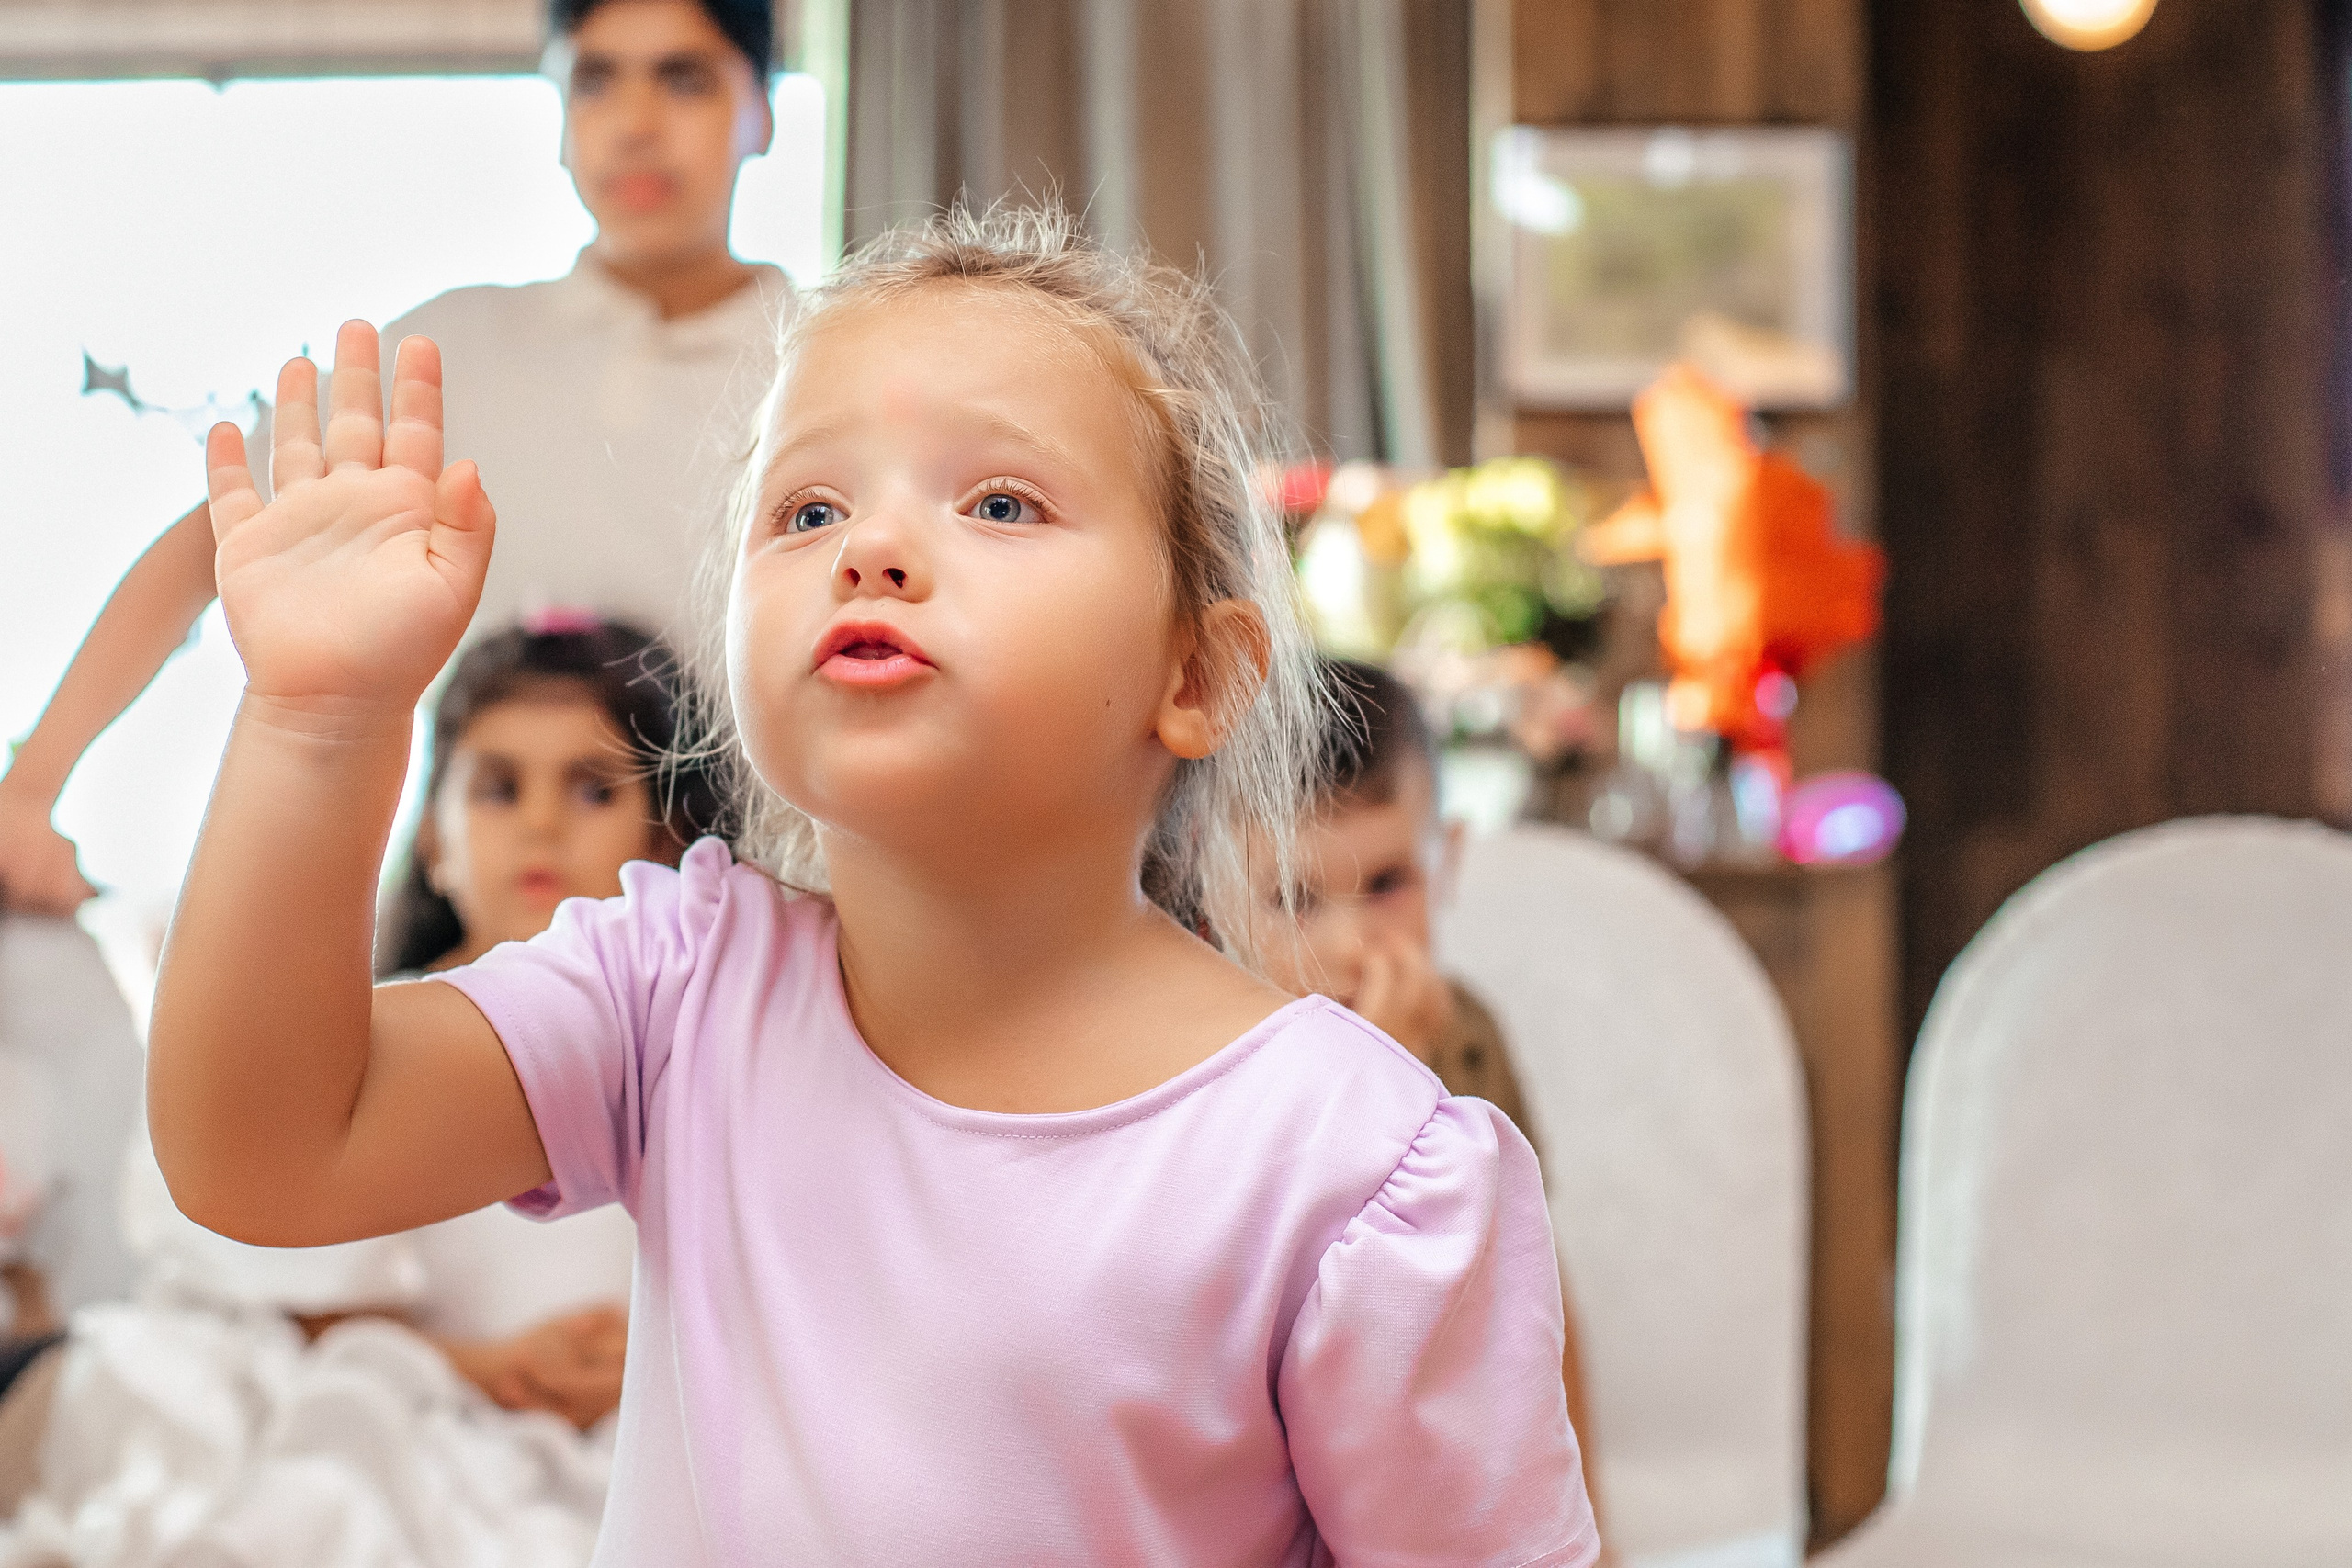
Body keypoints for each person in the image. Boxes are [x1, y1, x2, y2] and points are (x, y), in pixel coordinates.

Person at [147, 205, 1600, 1564]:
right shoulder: (672, 993)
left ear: (1197, 670)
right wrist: (321, 722)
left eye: (1003, 501)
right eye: (808, 508)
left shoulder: (1354, 1166)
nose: (874, 550)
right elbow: (269, 1147)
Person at [0, 0, 787, 916]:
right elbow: (208, 548)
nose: (637, 123)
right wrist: (29, 790)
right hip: (478, 935)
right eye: (595, 80)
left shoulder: (819, 363)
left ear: (759, 110)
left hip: (752, 928)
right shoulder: (449, 352)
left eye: (684, 78)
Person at [0, 617, 722, 1558]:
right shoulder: (365, 1037)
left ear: (666, 839)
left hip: (597, 1454)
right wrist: (485, 1368)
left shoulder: (699, 1062)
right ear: (432, 839)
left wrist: (650, 1371)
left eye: (592, 789)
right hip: (395, 1415)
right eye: (498, 788)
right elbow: (281, 1297)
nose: (541, 823)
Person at [1259, 654, 1612, 1541]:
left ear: (1444, 859)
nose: (1349, 944)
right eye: (1295, 897)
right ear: (1205, 885)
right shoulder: (1212, 1055)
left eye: (1387, 883)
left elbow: (1532, 1311)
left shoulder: (1463, 1037)